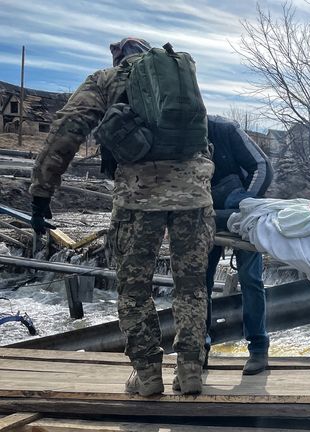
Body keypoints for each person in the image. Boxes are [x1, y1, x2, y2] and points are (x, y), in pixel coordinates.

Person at [29, 37, 214, 397]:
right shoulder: (178, 76)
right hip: (194, 195)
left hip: (138, 199)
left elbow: (68, 129)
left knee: (134, 289)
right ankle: (190, 368)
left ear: (117, 58)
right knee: (191, 286)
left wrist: (41, 191)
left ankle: (147, 375)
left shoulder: (106, 79)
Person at [205, 114, 273, 375]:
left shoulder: (224, 128)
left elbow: (262, 167)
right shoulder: (178, 134)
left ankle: (258, 349)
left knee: (250, 279)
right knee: (199, 282)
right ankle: (199, 349)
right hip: (204, 211)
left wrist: (246, 204)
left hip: (241, 208)